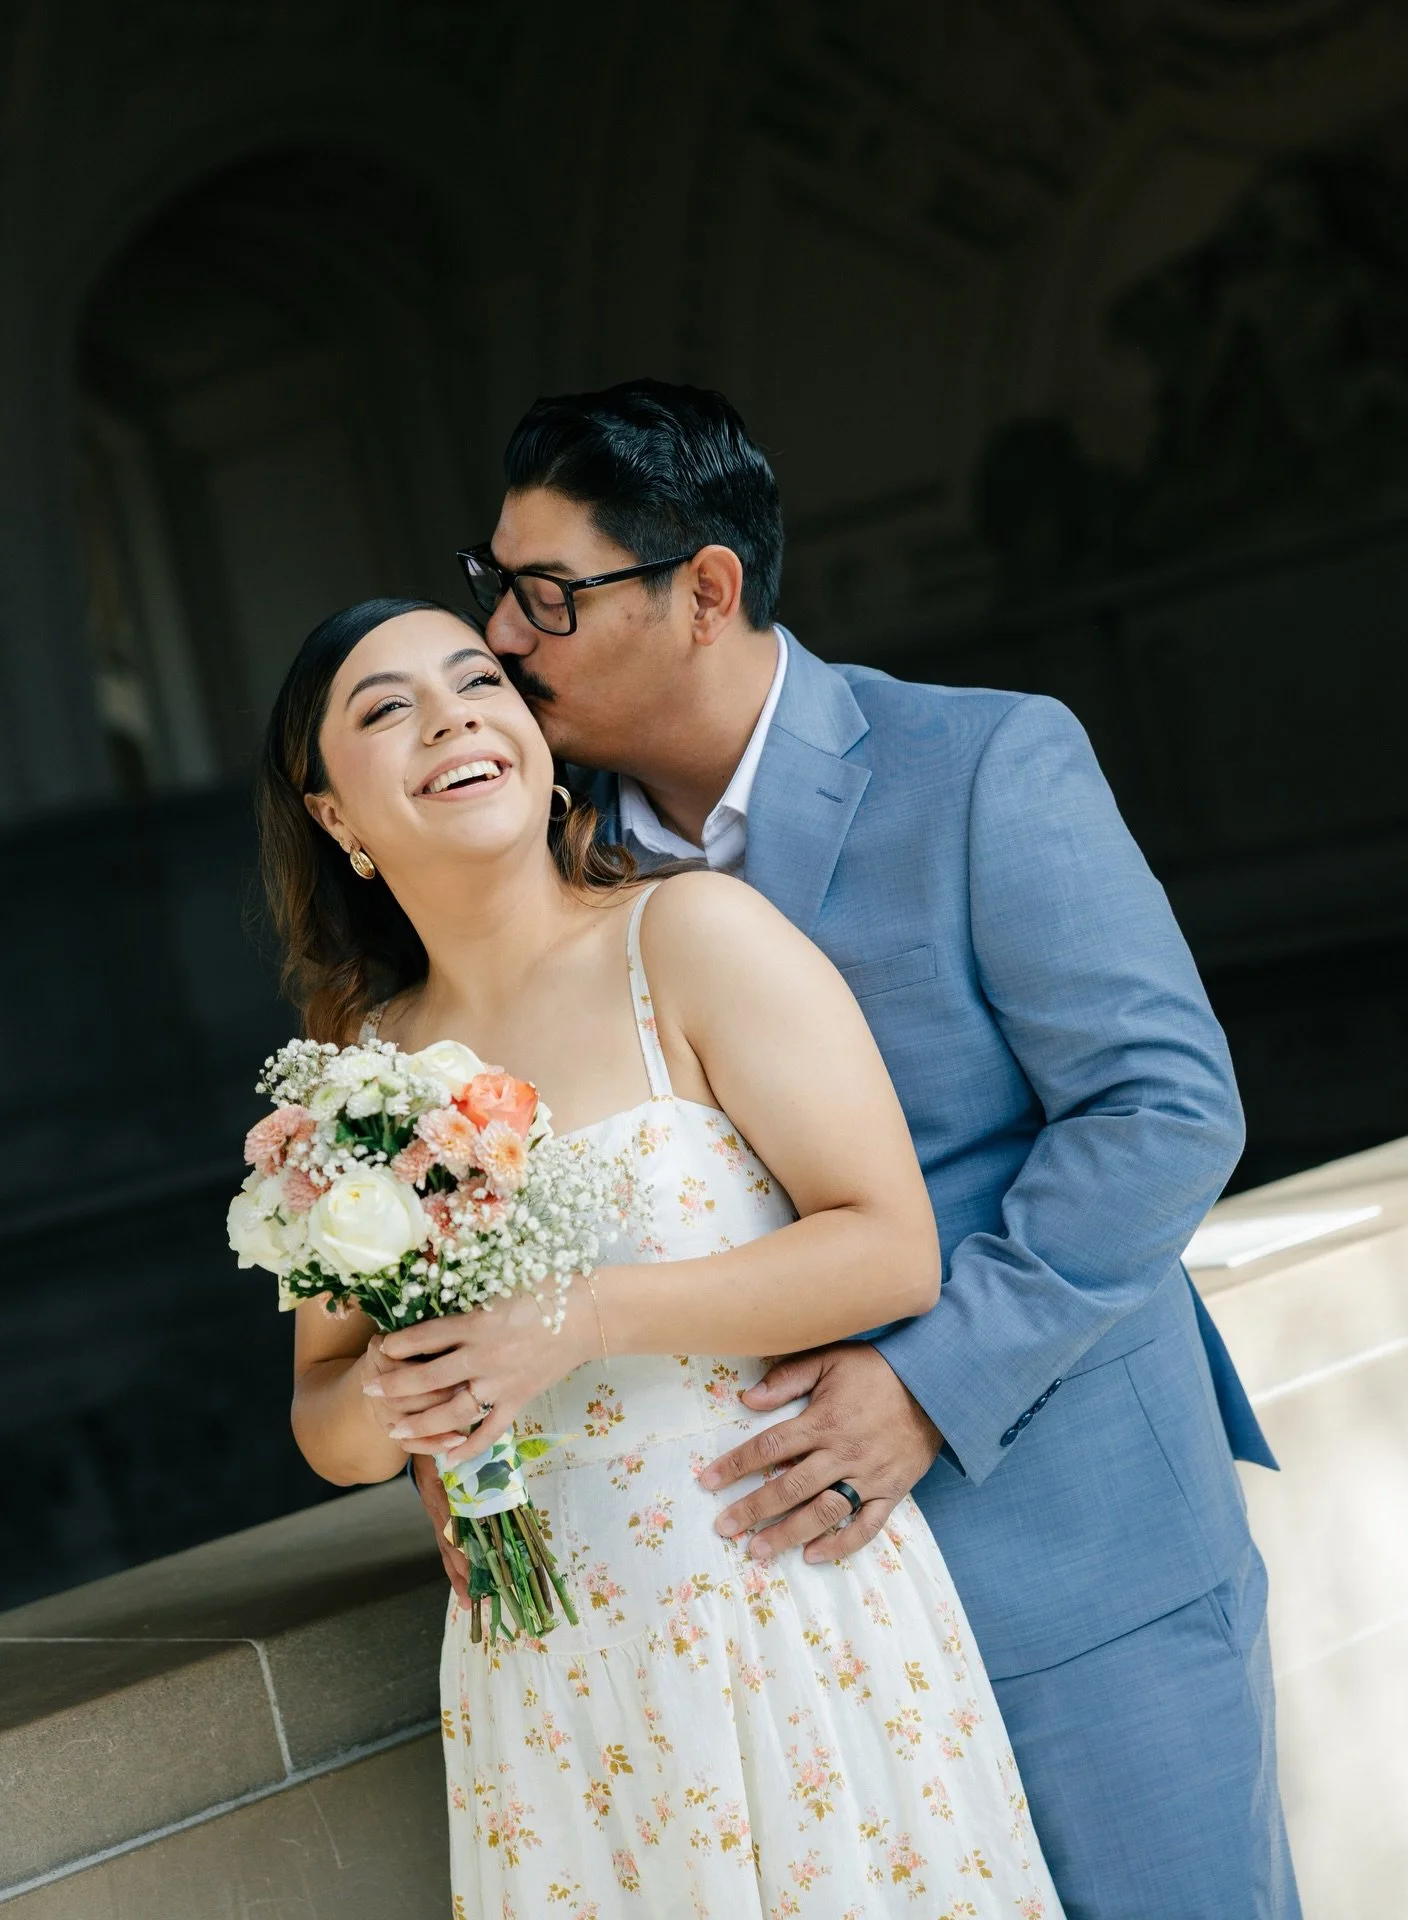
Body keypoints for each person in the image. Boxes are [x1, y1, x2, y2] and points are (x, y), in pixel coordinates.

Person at [402, 378, 1303, 1920]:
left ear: (705, 590)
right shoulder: (553, 867)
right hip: (783, 1654)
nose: (503, 642)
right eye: (497, 587)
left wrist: (930, 1387)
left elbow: (1164, 1109)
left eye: (548, 595)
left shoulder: (985, 764)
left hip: (1071, 1551)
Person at [262, 597, 1061, 1916]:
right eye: (388, 706)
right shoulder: (359, 1075)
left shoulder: (687, 938)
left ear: (532, 736)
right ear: (336, 816)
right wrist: (410, 1400)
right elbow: (331, 1425)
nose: (455, 712)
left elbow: (891, 1248)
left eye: (479, 681)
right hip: (550, 1674)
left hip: (781, 1612)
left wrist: (571, 1320)